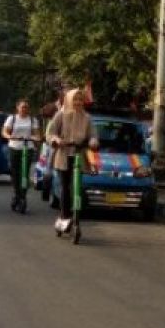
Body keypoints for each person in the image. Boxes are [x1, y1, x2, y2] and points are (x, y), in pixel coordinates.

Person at [46, 88, 98, 233]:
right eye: (75, 99)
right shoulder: (61, 115)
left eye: (80, 99)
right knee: (65, 188)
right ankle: (64, 216)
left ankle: (76, 217)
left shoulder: (87, 118)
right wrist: (56, 140)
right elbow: (51, 133)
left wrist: (93, 142)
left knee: (77, 188)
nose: (78, 102)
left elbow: (93, 135)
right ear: (69, 100)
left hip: (78, 156)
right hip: (63, 156)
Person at [3, 99, 40, 212]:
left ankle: (23, 195)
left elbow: (37, 134)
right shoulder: (12, 119)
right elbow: (5, 132)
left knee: (25, 172)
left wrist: (36, 138)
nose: (24, 109)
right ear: (17, 108)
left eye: (26, 107)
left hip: (27, 148)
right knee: (15, 172)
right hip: (15, 147)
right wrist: (9, 137)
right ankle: (17, 194)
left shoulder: (33, 120)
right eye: (22, 107)